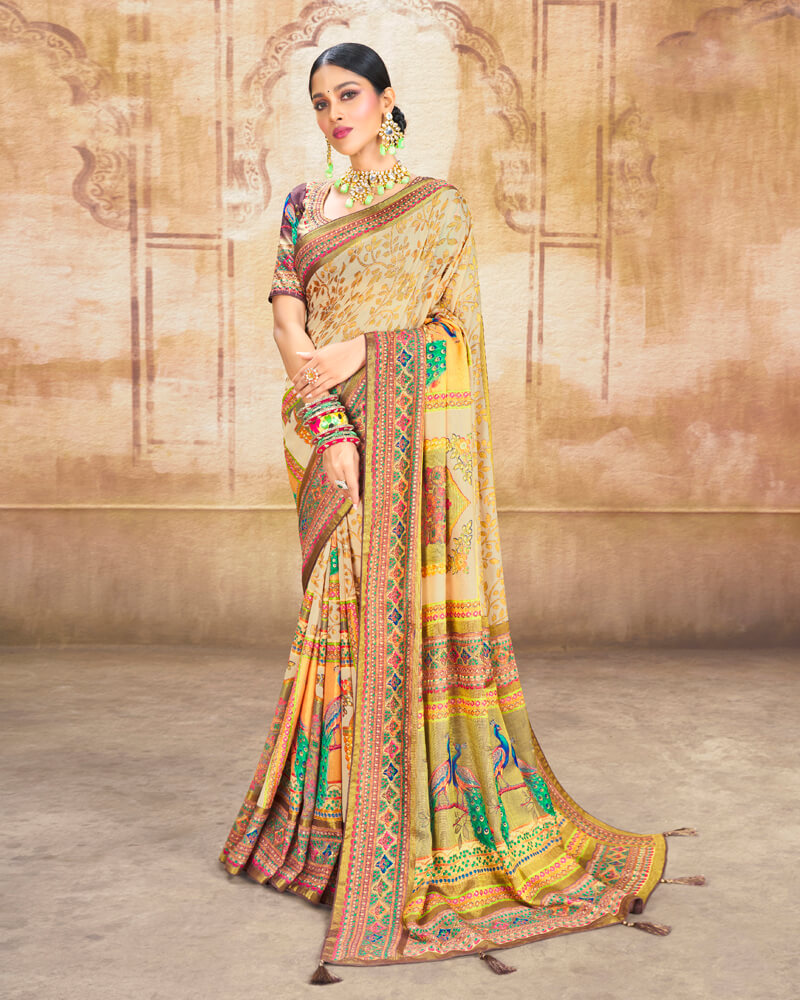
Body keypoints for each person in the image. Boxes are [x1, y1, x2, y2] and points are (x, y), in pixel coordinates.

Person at [218, 42, 705, 983]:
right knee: (338, 621)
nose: (334, 114)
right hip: (329, 429)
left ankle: (403, 830)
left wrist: (367, 350)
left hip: (414, 440)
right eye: (320, 101)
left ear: (386, 99)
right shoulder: (303, 206)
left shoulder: (437, 207)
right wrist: (328, 417)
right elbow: (286, 317)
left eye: (349, 94)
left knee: (397, 623)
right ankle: (330, 833)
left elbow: (453, 339)